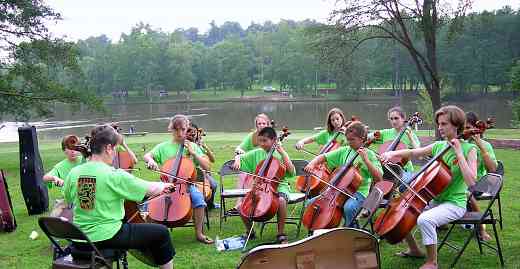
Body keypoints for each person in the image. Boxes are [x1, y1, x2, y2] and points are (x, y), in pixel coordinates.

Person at [62, 125, 175, 269]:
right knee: (162, 233)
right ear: (108, 148)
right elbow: (150, 188)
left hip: (79, 239)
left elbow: (68, 199)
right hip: (107, 236)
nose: (115, 153)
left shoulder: (75, 172)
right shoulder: (113, 175)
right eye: (115, 148)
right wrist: (163, 186)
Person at [380, 105, 478, 269]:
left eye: (444, 124)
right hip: (436, 200)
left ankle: (432, 262)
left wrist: (459, 153)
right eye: (439, 124)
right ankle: (414, 250)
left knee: (425, 219)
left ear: (456, 125)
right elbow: (414, 153)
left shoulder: (470, 149)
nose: (440, 128)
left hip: (455, 203)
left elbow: (472, 182)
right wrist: (391, 154)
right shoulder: (439, 146)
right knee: (401, 213)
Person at [143, 115, 214, 244]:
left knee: (199, 200)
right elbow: (147, 155)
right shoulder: (163, 146)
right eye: (176, 130)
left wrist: (194, 153)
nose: (180, 133)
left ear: (187, 129)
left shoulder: (192, 146)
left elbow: (207, 166)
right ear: (171, 130)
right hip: (165, 184)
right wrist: (151, 161)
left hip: (186, 185)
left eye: (183, 129)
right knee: (149, 203)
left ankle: (199, 233)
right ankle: (151, 235)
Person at [304, 121, 383, 227]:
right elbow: (323, 157)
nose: (349, 142)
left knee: (349, 208)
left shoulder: (370, 155)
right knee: (311, 203)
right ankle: (317, 231)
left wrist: (366, 160)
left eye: (352, 140)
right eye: (348, 139)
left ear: (362, 138)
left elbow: (379, 178)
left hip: (359, 192)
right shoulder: (345, 150)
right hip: (338, 190)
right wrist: (312, 164)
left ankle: (352, 231)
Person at [232, 127, 295, 244]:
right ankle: (250, 232)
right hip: (259, 187)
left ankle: (280, 233)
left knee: (281, 201)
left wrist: (283, 152)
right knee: (241, 206)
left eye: (265, 141)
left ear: (274, 140)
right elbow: (240, 156)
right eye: (260, 141)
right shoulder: (257, 152)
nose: (261, 144)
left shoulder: (280, 153)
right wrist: (237, 159)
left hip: (280, 186)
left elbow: (291, 171)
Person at [465, 111, 497, 241]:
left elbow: (493, 169)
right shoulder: (458, 143)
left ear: (475, 128)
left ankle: (481, 229)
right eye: (462, 128)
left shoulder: (485, 145)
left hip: (479, 184)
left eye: (468, 128)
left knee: (466, 193)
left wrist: (481, 147)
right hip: (460, 181)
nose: (465, 131)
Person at [372, 106, 421, 191]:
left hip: (404, 170)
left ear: (403, 119)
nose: (394, 121)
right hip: (386, 170)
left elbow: (419, 154)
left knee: (406, 183)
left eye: (396, 118)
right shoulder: (385, 133)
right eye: (391, 119)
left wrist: (410, 137)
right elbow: (367, 137)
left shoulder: (409, 134)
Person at [232, 113, 271, 212]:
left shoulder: (272, 137)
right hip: (253, 167)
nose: (262, 125)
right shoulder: (252, 136)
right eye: (259, 124)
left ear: (268, 124)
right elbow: (238, 148)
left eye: (264, 123)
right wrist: (239, 156)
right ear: (256, 125)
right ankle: (239, 203)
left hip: (267, 168)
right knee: (242, 174)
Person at [187, 122, 219, 209]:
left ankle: (209, 203)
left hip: (204, 172)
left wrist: (205, 147)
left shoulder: (199, 145)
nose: (193, 133)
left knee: (213, 185)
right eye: (189, 131)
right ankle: (208, 204)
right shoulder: (188, 145)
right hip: (196, 173)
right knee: (213, 184)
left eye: (195, 131)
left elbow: (213, 160)